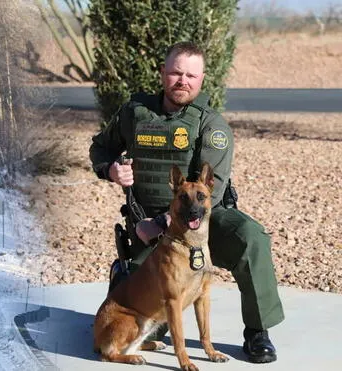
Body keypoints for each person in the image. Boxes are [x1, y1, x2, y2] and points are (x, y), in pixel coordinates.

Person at [89, 41, 284, 364]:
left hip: (203, 220)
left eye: (191, 75)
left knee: (251, 237)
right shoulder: (134, 114)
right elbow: (100, 148)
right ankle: (123, 275)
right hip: (147, 231)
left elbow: (212, 190)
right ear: (163, 73)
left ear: (202, 79)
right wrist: (110, 169)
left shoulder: (211, 125)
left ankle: (258, 331)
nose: (183, 81)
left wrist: (165, 222)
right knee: (145, 326)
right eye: (176, 73)